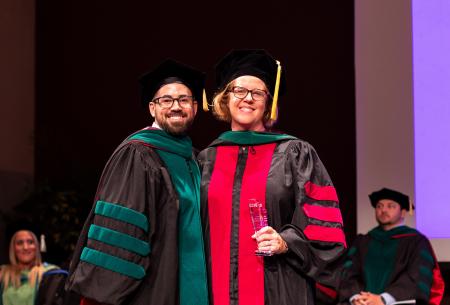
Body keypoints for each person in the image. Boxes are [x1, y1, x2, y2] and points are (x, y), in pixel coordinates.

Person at [198, 49, 346, 305]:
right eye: (239, 90)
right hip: (216, 289)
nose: (248, 99)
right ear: (225, 98)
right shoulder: (205, 160)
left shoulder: (295, 153)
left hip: (280, 288)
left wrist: (286, 241)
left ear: (269, 102)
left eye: (258, 93)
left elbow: (326, 232)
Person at [65, 59, 209, 305]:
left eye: (184, 100)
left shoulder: (195, 159)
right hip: (153, 290)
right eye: (167, 100)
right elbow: (122, 234)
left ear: (195, 107)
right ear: (152, 108)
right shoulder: (138, 155)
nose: (176, 106)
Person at [338, 188, 445, 305]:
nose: (383, 210)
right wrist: (356, 297)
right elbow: (349, 274)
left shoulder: (416, 241)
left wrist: (383, 299)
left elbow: (417, 276)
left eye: (391, 206)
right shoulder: (362, 241)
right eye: (379, 206)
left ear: (403, 212)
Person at [0, 223, 63, 305]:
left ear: (37, 246)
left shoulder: (51, 274)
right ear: (13, 248)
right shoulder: (3, 274)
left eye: (30, 242)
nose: (25, 247)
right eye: (19, 243)